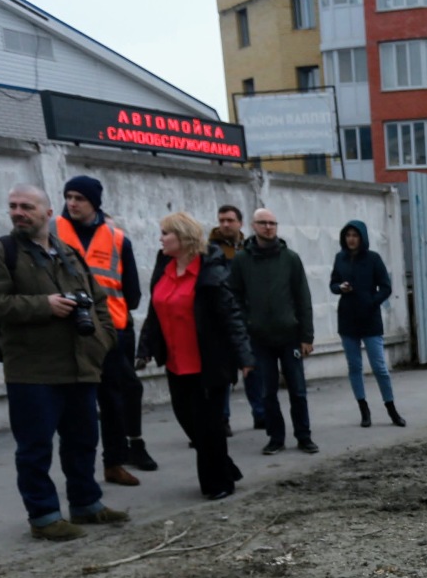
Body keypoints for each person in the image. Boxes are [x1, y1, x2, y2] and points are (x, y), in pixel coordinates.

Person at [0, 184, 126, 540]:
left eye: (27, 206)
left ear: (48, 212)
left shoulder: (68, 253)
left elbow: (98, 301)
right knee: (35, 448)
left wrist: (103, 340)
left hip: (80, 367)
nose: (18, 213)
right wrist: (45, 305)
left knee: (83, 441)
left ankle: (86, 503)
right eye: (13, 206)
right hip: (32, 371)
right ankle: (44, 516)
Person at [136, 212, 253, 499]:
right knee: (189, 422)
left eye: (166, 233)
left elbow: (231, 316)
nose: (160, 239)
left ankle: (217, 484)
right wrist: (145, 349)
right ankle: (225, 468)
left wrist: (245, 357)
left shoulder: (210, 270)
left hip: (208, 363)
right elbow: (155, 311)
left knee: (209, 426)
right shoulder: (164, 265)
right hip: (176, 363)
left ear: (184, 238)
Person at [56, 176, 150, 489]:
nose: (72, 203)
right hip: (67, 330)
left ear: (94, 203)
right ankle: (80, 474)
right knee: (75, 406)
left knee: (113, 401)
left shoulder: (118, 239)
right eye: (69, 196)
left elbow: (132, 292)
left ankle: (115, 463)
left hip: (110, 331)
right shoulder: (52, 231)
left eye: (79, 198)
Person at [228, 207, 317, 456]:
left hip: (290, 336)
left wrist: (306, 336)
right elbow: (235, 297)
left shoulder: (290, 259)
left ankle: (304, 436)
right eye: (263, 223)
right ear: (253, 226)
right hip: (259, 339)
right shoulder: (242, 261)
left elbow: (303, 298)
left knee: (297, 390)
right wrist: (246, 326)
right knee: (267, 392)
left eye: (272, 223)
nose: (268, 227)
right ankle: (275, 438)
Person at [330, 221, 404, 428]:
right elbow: (333, 284)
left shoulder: (373, 259)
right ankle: (364, 409)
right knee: (354, 366)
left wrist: (371, 301)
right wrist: (340, 287)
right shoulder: (340, 258)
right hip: (347, 319)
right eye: (348, 235)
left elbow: (386, 287)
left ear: (362, 238)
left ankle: (391, 408)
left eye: (355, 235)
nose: (351, 239)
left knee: (379, 367)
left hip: (370, 319)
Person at [211, 203, 258, 436]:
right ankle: (222, 419)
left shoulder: (248, 248)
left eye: (230, 220)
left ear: (240, 223)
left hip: (248, 315)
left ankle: (260, 413)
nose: (225, 224)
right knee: (223, 373)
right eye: (222, 220)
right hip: (222, 317)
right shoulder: (211, 249)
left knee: (252, 367)